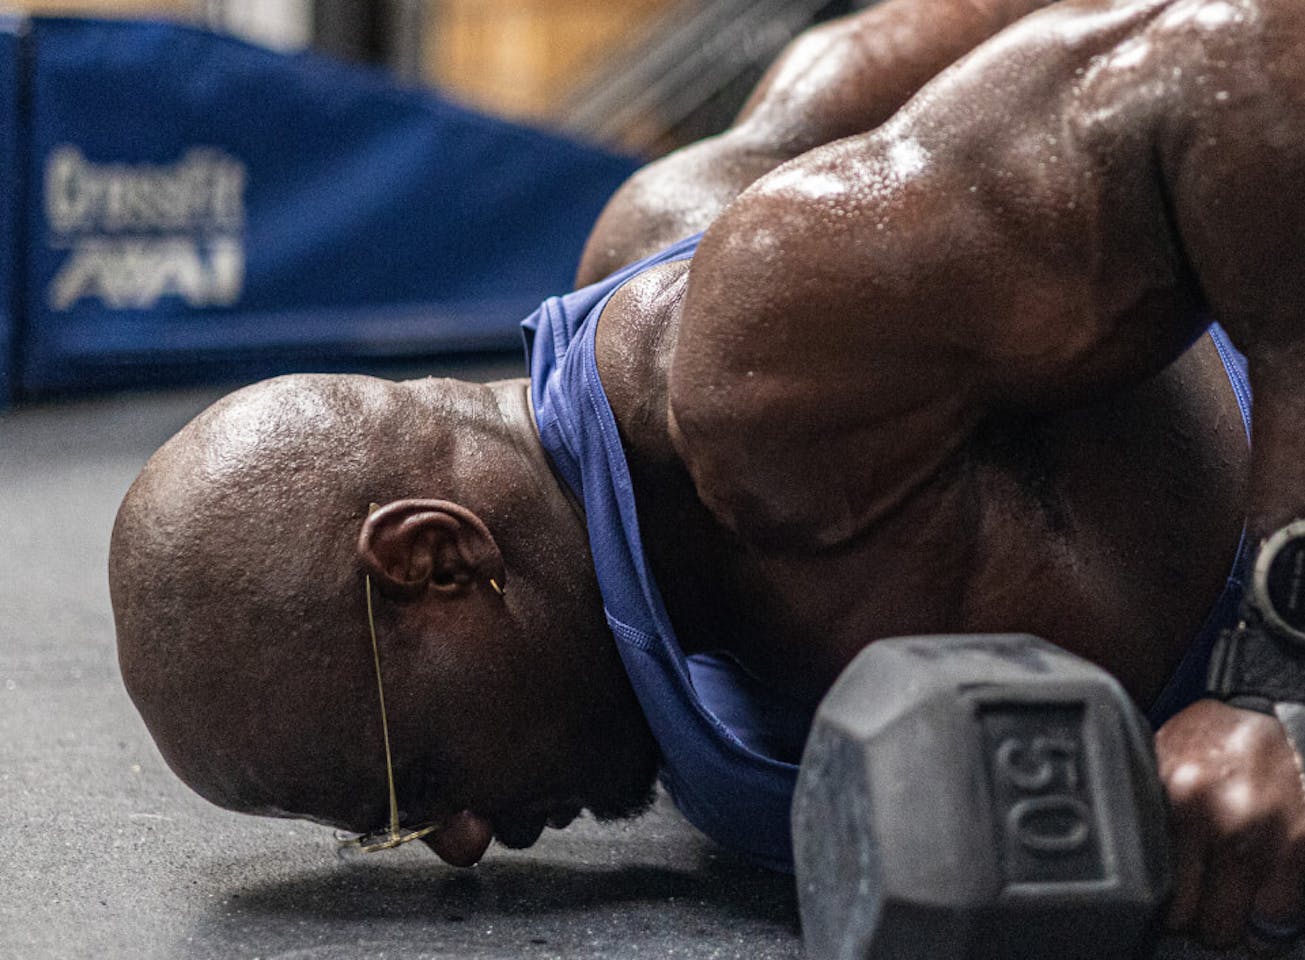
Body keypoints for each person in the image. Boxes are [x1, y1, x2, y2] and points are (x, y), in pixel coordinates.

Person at [108, 0, 1305, 951]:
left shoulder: (759, 374)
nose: (468, 840)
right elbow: (921, 47)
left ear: (437, 557)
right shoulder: (672, 244)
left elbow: (1255, 68)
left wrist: (1276, 680)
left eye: (414, 786)